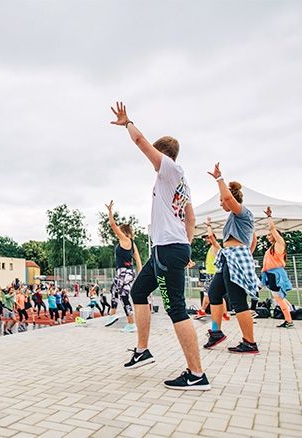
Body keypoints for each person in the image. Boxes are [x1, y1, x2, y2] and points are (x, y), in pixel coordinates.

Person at [111, 101, 210, 390]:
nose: (152, 161)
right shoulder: (182, 183)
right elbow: (190, 217)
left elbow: (141, 142)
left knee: (176, 308)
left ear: (164, 156)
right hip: (167, 249)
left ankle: (196, 373)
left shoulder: (169, 169)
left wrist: (128, 123)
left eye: (157, 156)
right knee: (139, 292)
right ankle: (143, 350)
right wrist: (188, 246)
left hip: (168, 249)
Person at [204, 168, 260, 354]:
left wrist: (219, 179)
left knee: (237, 301)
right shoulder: (234, 218)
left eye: (221, 201)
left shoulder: (243, 213)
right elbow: (253, 240)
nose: (221, 204)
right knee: (214, 293)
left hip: (235, 258)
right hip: (229, 257)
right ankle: (216, 332)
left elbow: (228, 200)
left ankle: (250, 342)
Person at [104, 201, 142, 332]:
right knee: (114, 289)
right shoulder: (132, 243)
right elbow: (138, 260)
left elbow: (112, 225)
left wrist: (110, 211)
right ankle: (112, 314)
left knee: (123, 295)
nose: (117, 232)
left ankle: (131, 323)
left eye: (120, 231)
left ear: (123, 232)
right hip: (127, 272)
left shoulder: (124, 239)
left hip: (124, 272)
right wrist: (140, 274)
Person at [261, 207, 295, 328]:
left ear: (276, 236)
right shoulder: (272, 247)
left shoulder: (280, 243)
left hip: (275, 275)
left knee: (279, 299)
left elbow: (272, 228)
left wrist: (269, 217)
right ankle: (289, 317)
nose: (268, 236)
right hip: (270, 275)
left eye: (270, 235)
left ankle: (289, 320)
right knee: (279, 299)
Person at [194, 218, 230, 322]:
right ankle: (225, 314)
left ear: (213, 238)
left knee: (206, 293)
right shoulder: (211, 248)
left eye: (207, 238)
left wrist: (208, 226)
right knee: (218, 295)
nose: (206, 239)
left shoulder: (216, 246)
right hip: (212, 273)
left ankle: (202, 311)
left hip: (213, 274)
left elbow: (211, 236)